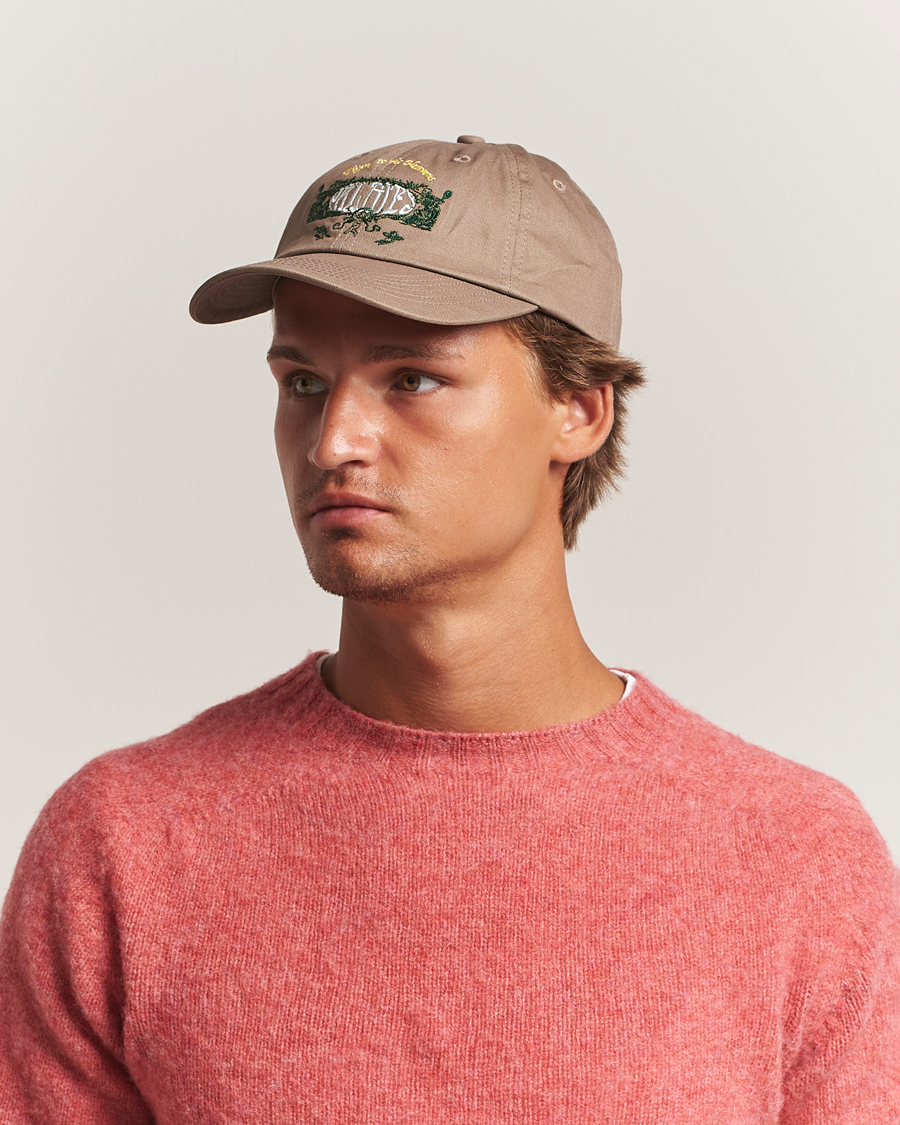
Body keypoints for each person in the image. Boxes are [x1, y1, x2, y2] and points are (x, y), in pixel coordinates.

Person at [1, 135, 898, 1123]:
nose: (333, 441)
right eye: (302, 382)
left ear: (578, 410)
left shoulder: (794, 859)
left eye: (412, 379)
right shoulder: (123, 848)